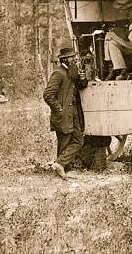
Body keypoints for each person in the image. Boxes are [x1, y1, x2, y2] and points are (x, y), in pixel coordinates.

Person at [43, 43, 87, 179]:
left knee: (78, 139)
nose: (74, 60)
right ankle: (61, 167)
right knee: (65, 140)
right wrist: (59, 109)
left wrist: (82, 78)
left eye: (74, 57)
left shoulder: (71, 72)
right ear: (65, 60)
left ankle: (60, 164)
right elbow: (48, 94)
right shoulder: (59, 73)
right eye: (72, 58)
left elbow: (80, 86)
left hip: (72, 112)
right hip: (63, 113)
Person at [103, 0, 132, 80]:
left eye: (121, 9)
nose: (120, 11)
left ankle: (110, 65)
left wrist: (116, 32)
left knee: (109, 35)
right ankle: (121, 69)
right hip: (130, 45)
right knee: (111, 42)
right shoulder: (130, 17)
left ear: (128, 8)